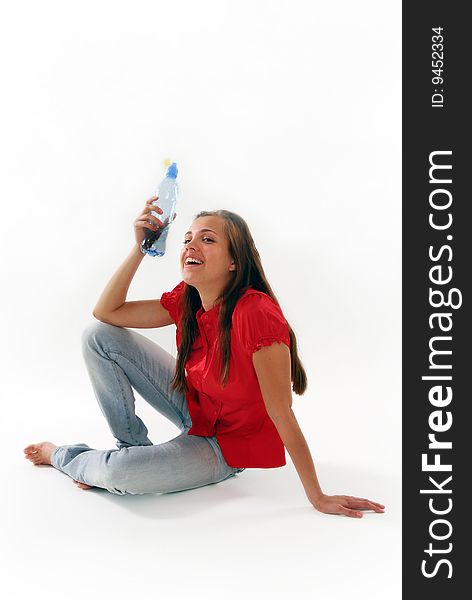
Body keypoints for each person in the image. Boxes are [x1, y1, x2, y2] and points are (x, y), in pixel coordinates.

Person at [24, 195, 385, 518]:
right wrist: (141, 248)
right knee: (97, 337)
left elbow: (281, 412)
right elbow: (107, 313)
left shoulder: (256, 313)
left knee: (119, 475)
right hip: (196, 406)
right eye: (187, 239)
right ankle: (133, 449)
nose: (191, 245)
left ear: (233, 262)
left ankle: (73, 459)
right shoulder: (189, 297)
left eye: (207, 239)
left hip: (224, 447)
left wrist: (317, 497)